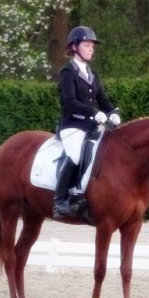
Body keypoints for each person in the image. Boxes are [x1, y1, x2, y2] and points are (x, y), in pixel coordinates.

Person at [53, 26, 120, 218]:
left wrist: (113, 112)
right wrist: (94, 112)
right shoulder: (67, 72)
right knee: (75, 155)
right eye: (87, 45)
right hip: (72, 125)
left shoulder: (92, 74)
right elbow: (69, 102)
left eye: (92, 46)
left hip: (91, 126)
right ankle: (60, 201)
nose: (91, 49)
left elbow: (103, 99)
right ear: (75, 47)